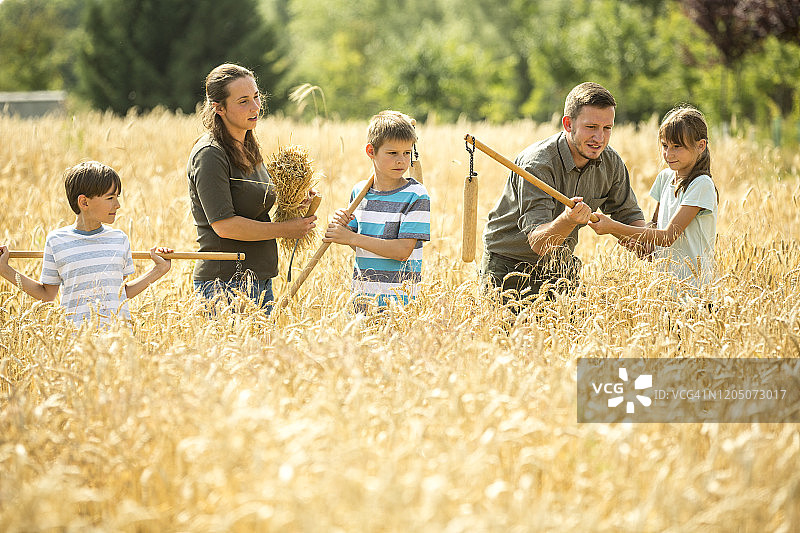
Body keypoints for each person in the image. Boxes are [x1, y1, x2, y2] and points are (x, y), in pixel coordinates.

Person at [481, 82, 645, 307]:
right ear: (568, 124)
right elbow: (540, 243)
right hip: (509, 264)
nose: (600, 138)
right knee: (510, 340)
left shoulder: (611, 162)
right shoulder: (537, 164)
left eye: (607, 128)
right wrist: (569, 219)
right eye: (591, 127)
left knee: (577, 338)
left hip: (560, 263)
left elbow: (631, 218)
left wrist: (654, 242)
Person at [188, 63, 316, 311]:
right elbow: (224, 225)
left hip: (259, 277)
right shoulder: (210, 154)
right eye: (243, 101)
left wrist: (294, 203)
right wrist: (285, 229)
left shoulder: (248, 145)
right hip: (224, 282)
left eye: (256, 97)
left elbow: (255, 208)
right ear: (219, 107)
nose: (255, 107)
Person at [0, 161, 173, 325]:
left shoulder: (119, 239)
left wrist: (159, 270)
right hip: (77, 342)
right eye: (110, 198)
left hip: (118, 340)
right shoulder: (57, 241)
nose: (118, 205)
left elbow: (119, 293)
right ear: (84, 202)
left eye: (117, 197)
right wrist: (5, 270)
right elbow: (47, 295)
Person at [589, 105, 717, 294]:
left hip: (694, 291)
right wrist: (641, 245)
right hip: (665, 288)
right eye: (665, 146)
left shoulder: (701, 184)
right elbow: (655, 227)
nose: (668, 154)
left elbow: (667, 236)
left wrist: (613, 227)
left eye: (677, 147)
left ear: (701, 146)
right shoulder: (666, 178)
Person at [323, 110, 431, 311]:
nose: (401, 160)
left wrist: (351, 238)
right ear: (371, 151)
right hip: (363, 299)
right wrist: (343, 229)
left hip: (400, 304)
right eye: (392, 153)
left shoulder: (416, 195)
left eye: (407, 152)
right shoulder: (360, 192)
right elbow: (360, 246)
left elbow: (402, 251)